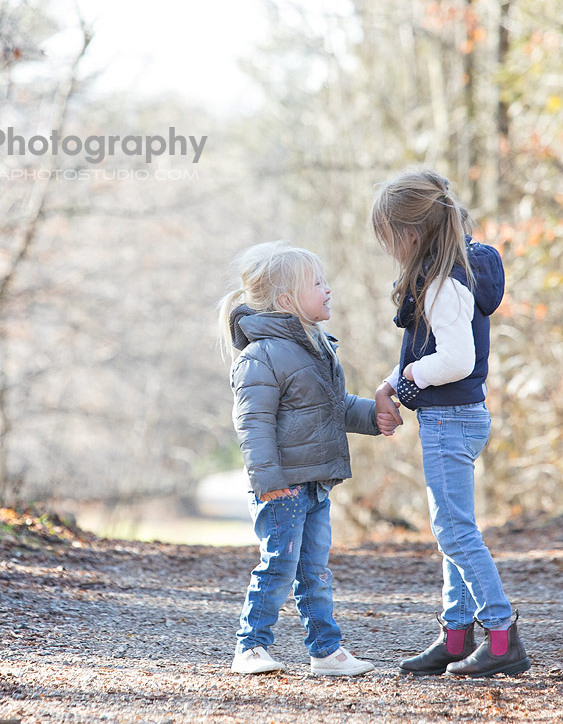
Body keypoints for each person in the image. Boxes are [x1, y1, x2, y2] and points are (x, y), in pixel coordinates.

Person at [370, 168, 531, 678]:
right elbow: (430, 350)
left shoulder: (440, 283)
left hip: (450, 419)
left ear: (411, 235)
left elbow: (454, 359)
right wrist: (390, 384)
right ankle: (457, 634)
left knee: (455, 531)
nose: (389, 249)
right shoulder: (456, 272)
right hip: (459, 416)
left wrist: (411, 376)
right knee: (452, 528)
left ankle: (501, 635)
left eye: (389, 238)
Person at [218, 241, 397, 677]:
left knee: (315, 571)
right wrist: (268, 478)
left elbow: (332, 408)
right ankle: (251, 646)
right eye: (317, 283)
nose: (328, 289)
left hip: (315, 483)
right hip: (282, 486)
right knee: (279, 564)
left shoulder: (317, 348)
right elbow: (253, 422)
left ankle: (326, 651)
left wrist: (375, 416)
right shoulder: (261, 355)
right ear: (286, 301)